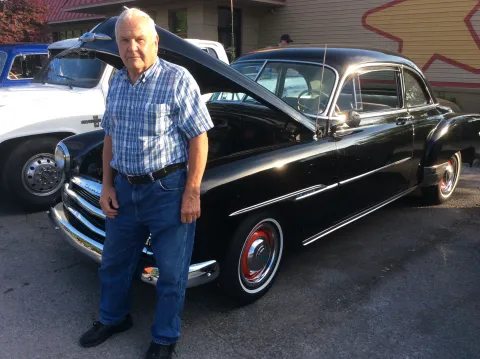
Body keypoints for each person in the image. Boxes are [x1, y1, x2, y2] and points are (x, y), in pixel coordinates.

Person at [78, 8, 214, 359]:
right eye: (124, 40)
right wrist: (108, 186)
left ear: (155, 42)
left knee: (170, 273)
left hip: (167, 191)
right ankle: (113, 318)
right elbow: (110, 135)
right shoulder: (118, 80)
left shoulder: (178, 79)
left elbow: (199, 138)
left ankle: (165, 338)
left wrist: (192, 192)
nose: (132, 47)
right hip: (124, 188)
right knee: (113, 263)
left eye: (140, 39)